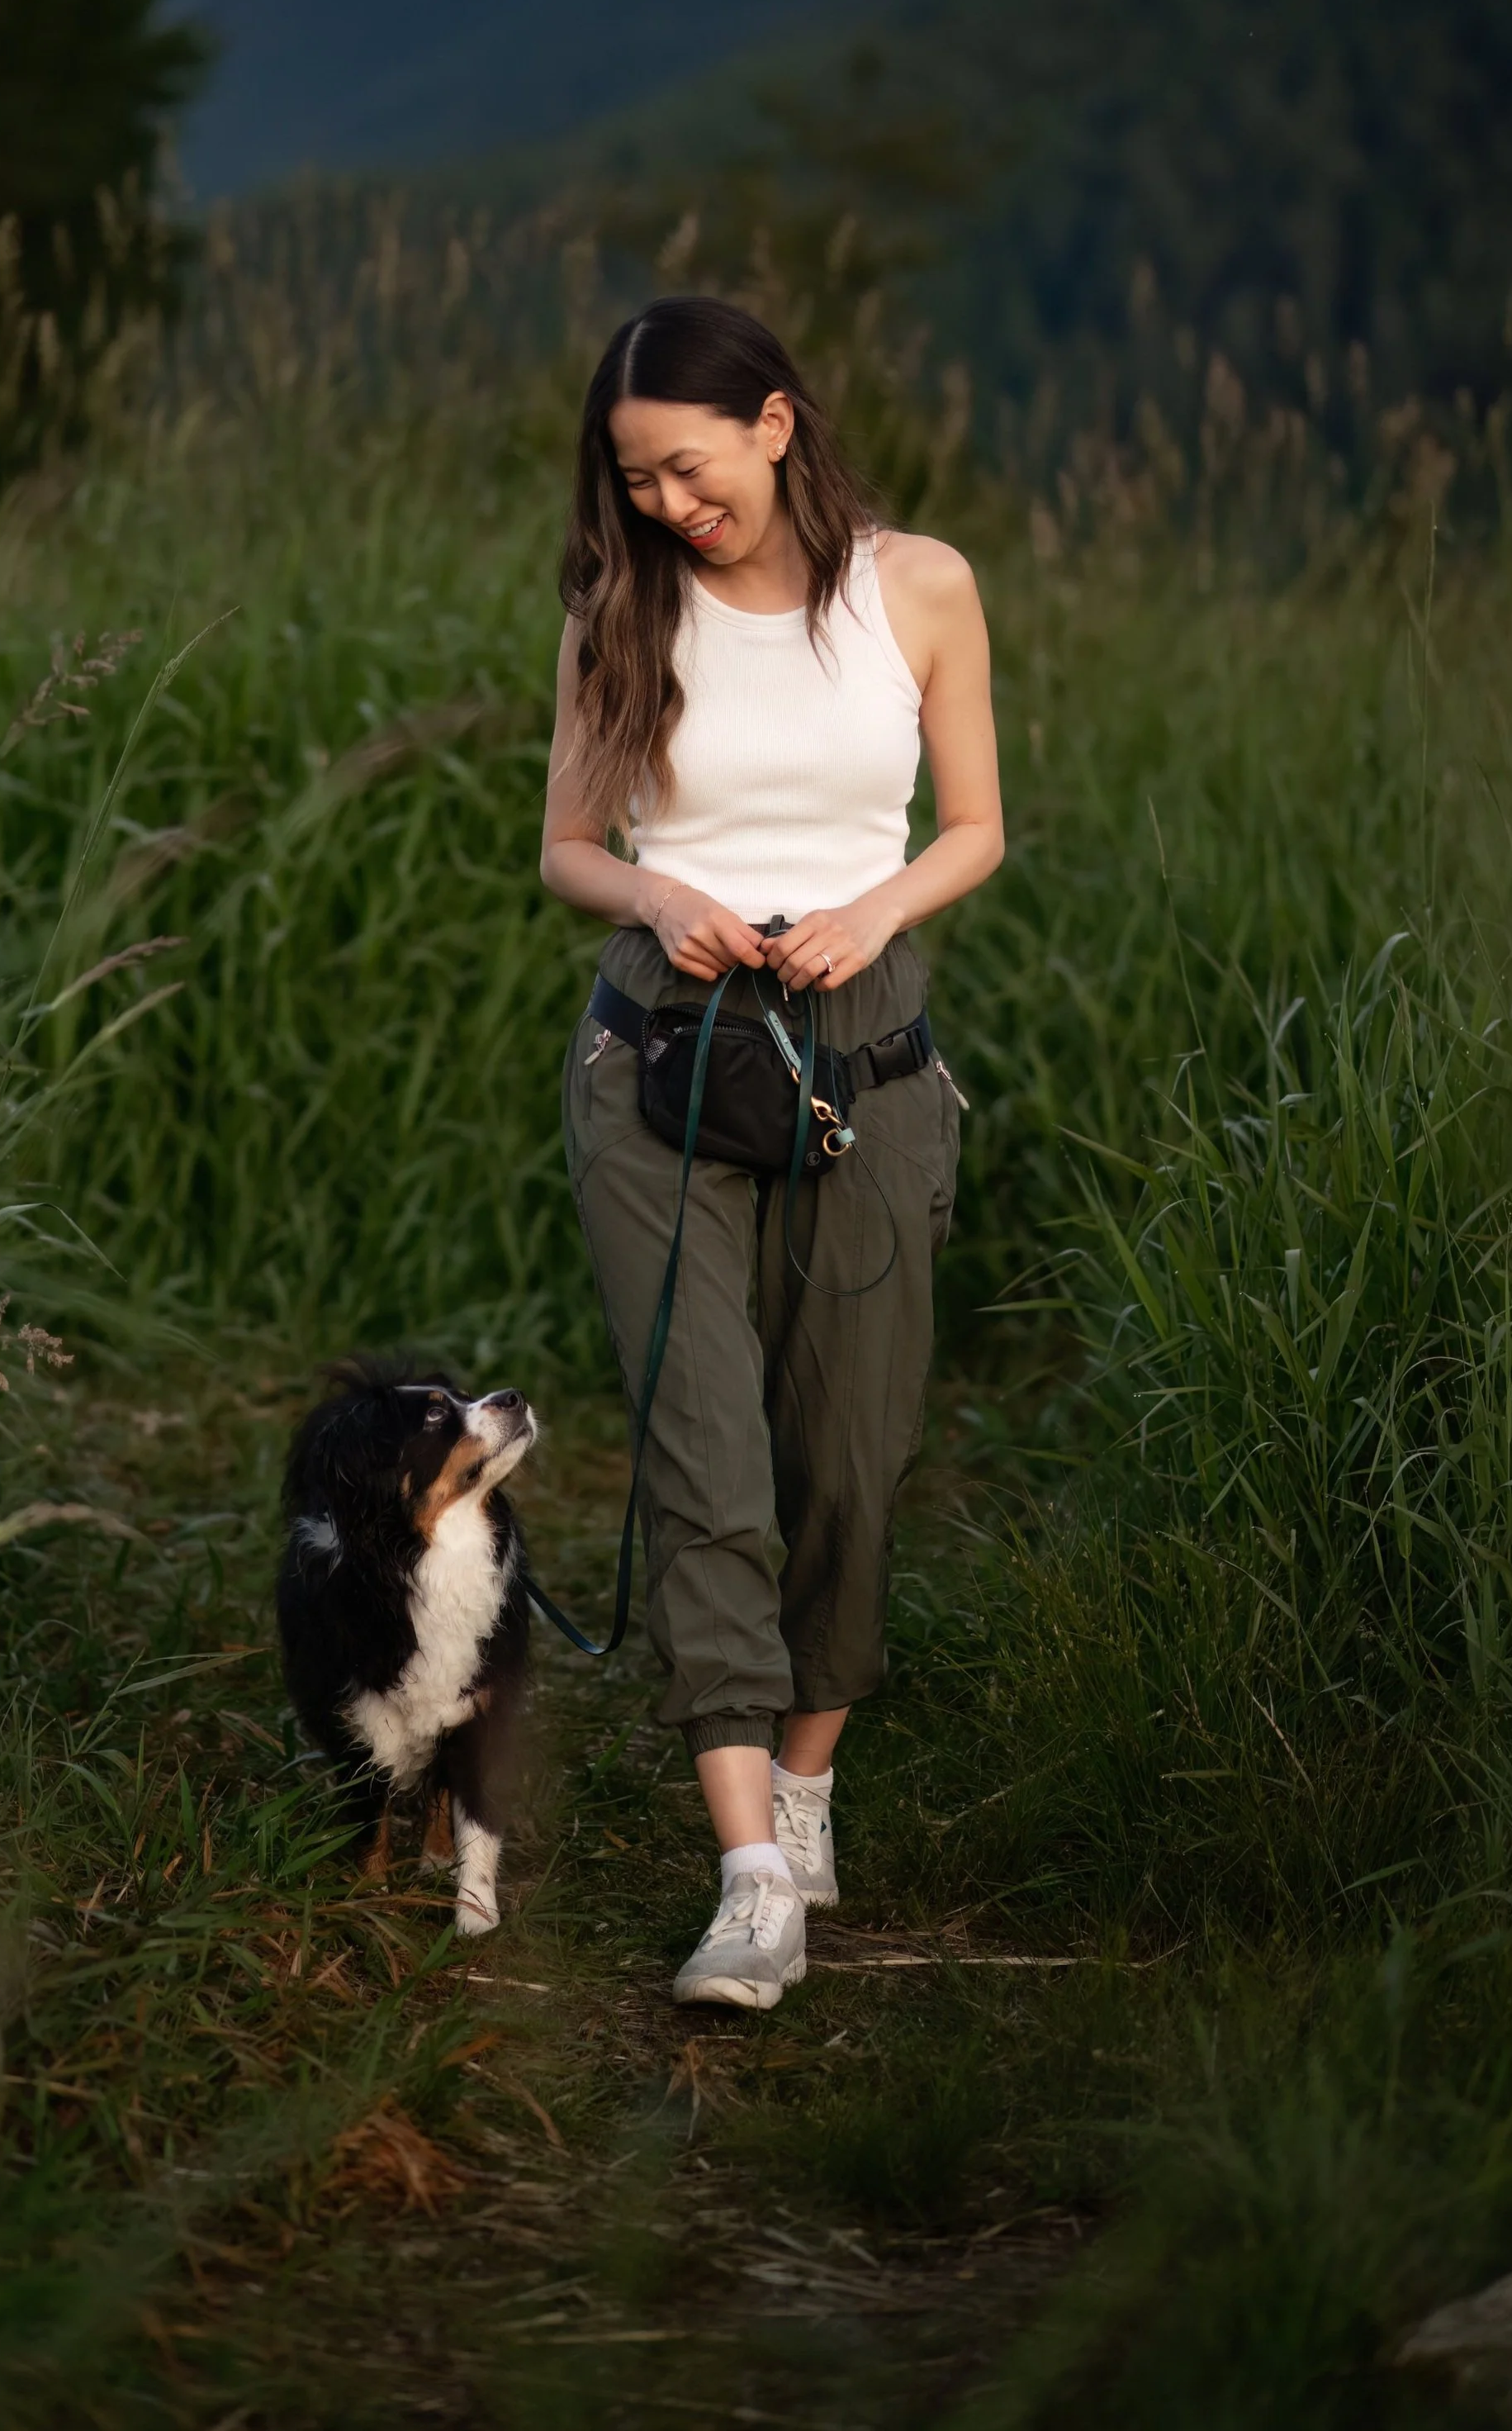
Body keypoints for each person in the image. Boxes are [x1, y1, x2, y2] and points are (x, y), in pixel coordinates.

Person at [540, 295, 1003, 2009]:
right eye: (634, 476)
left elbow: (977, 825)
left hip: (866, 1048)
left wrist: (874, 903)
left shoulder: (920, 586)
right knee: (702, 1457)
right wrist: (658, 887)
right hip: (660, 1061)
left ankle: (807, 1784)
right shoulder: (620, 603)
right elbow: (569, 845)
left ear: (779, 424)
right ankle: (747, 1870)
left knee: (852, 1458)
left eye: (686, 463)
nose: (665, 502)